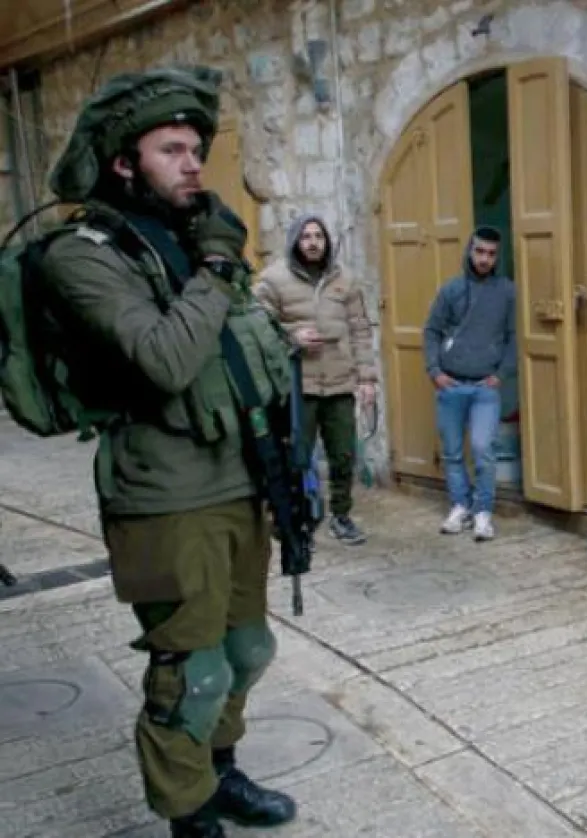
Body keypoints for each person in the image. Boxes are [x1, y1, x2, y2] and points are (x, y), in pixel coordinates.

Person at [35, 66, 298, 836]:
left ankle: (219, 773)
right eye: (172, 150)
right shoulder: (79, 255)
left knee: (247, 650)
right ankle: (187, 813)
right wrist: (219, 268)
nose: (194, 165)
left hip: (236, 479)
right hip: (161, 492)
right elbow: (165, 359)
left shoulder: (187, 240)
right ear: (124, 162)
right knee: (194, 670)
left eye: (196, 149)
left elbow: (242, 357)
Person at [253, 214, 376, 546]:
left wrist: (367, 378)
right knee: (295, 456)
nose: (312, 242)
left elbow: (361, 330)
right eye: (306, 236)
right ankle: (294, 518)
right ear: (295, 240)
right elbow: (257, 326)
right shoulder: (273, 279)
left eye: (318, 236)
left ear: (327, 241)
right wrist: (293, 336)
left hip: (339, 383)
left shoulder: (344, 280)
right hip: (298, 386)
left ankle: (341, 515)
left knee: (342, 455)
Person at [422, 226, 515, 541]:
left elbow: (515, 336)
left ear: (497, 257)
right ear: (469, 251)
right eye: (479, 251)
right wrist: (435, 371)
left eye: (491, 254)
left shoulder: (506, 291)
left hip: (484, 388)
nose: (484, 259)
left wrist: (501, 374)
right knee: (451, 452)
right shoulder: (451, 290)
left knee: (482, 448)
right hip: (451, 385)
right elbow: (431, 330)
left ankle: (483, 511)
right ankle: (460, 505)